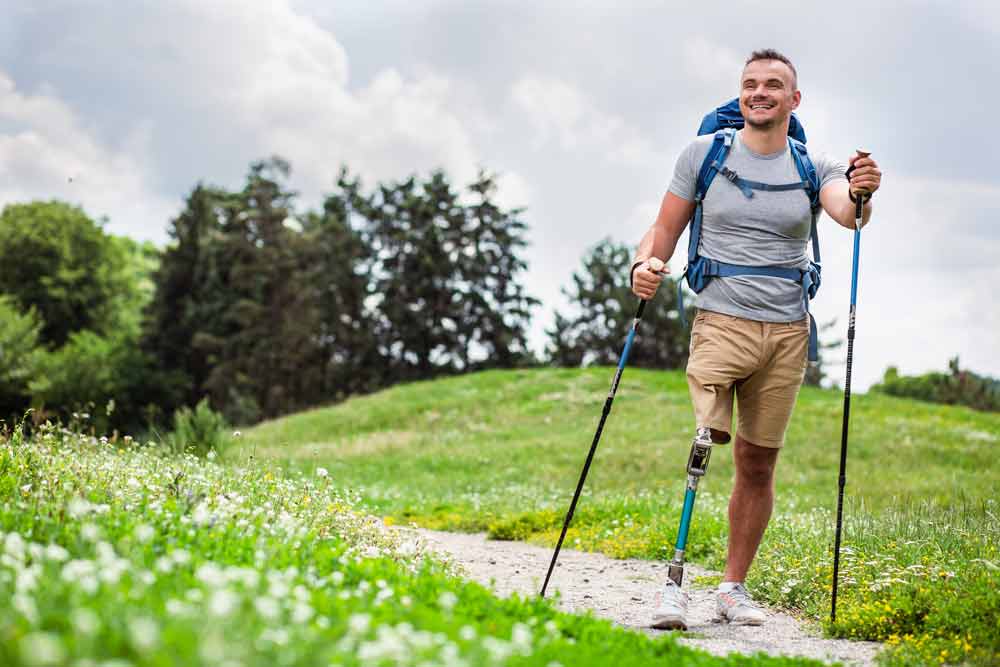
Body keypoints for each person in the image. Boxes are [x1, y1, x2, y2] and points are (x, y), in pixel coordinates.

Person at [630, 48, 882, 629]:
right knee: (705, 442)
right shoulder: (704, 154)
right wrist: (645, 265)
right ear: (740, 94)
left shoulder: (811, 164)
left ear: (794, 101)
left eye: (773, 85)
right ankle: (673, 587)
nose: (759, 92)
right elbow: (664, 228)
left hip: (789, 331)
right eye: (750, 84)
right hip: (720, 320)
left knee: (757, 463)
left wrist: (864, 190)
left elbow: (849, 212)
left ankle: (731, 588)